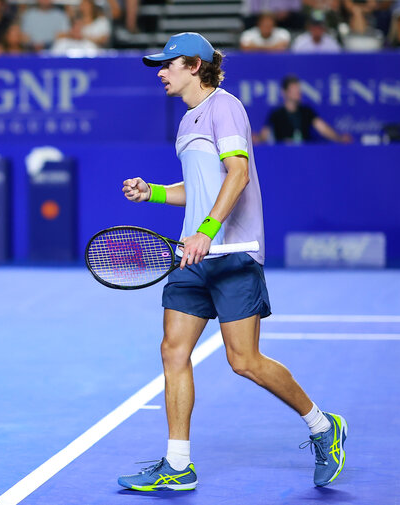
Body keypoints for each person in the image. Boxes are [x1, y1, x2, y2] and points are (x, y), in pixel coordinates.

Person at [117, 32, 347, 492]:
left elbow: (237, 174)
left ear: (195, 66)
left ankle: (324, 427)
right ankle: (178, 463)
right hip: (193, 255)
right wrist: (155, 193)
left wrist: (206, 232)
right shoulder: (186, 123)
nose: (161, 72)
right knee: (173, 351)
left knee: (244, 361)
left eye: (168, 65)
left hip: (231, 253)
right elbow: (200, 190)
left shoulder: (225, 106)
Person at [256, 74, 353, 144]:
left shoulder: (307, 111)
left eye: (298, 90)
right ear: (284, 92)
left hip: (305, 154)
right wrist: (257, 139)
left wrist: (339, 138)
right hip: (283, 155)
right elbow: (264, 135)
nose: (297, 93)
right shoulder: (276, 113)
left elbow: (322, 128)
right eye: (293, 90)